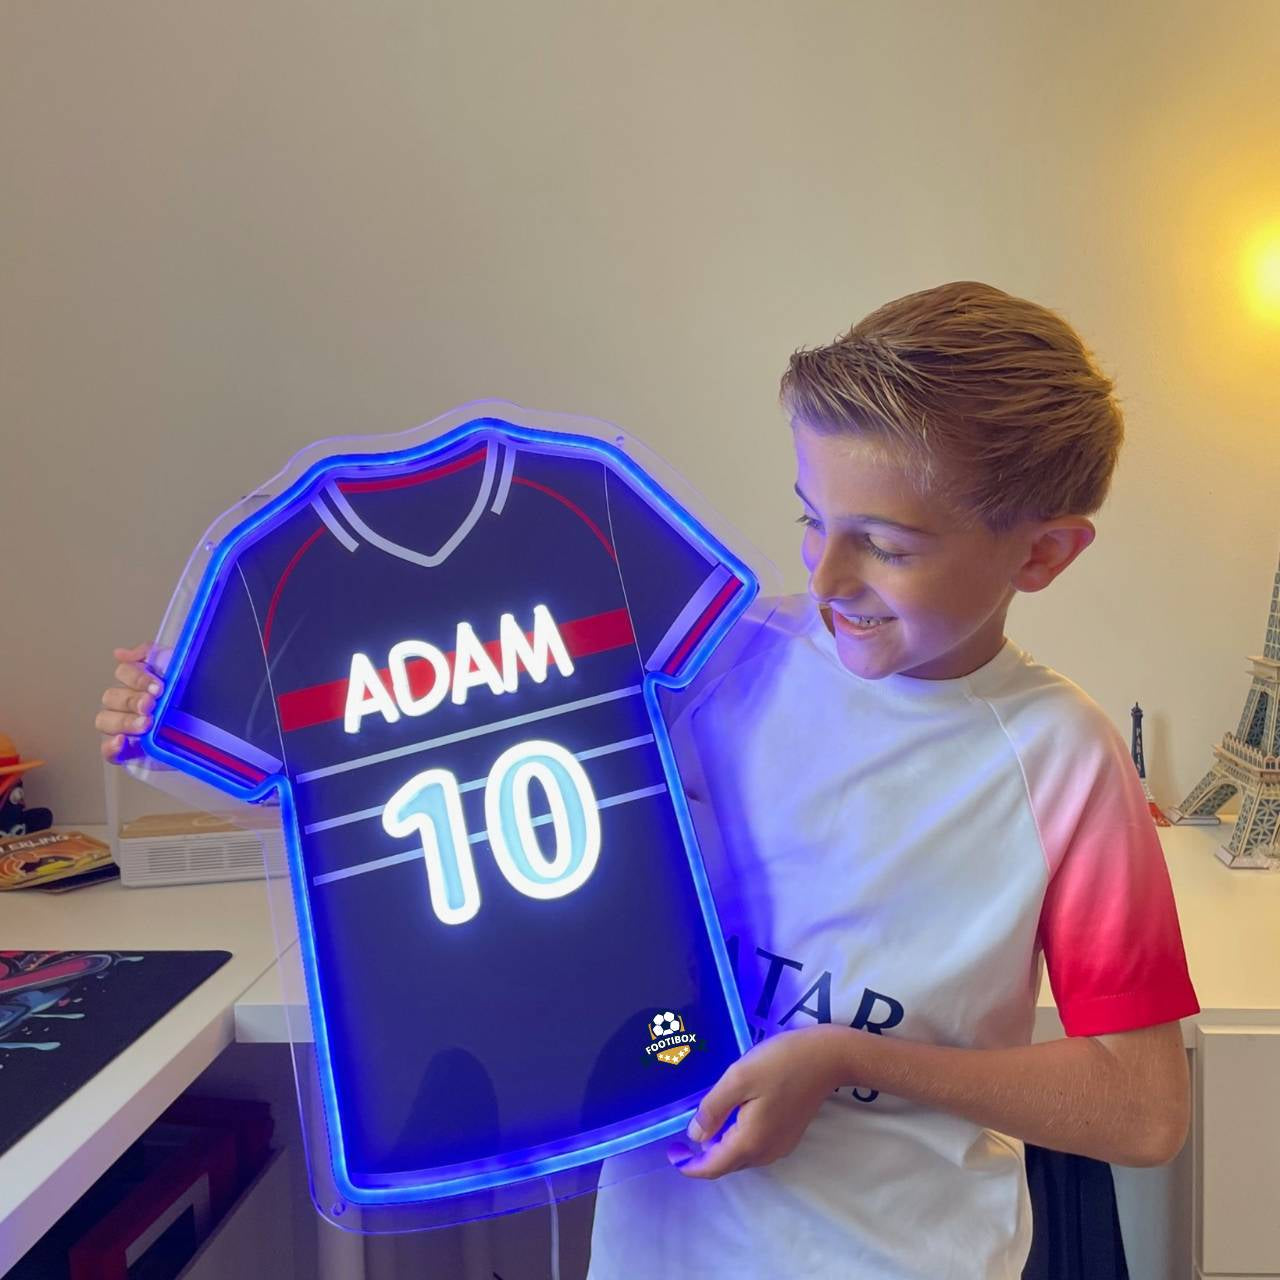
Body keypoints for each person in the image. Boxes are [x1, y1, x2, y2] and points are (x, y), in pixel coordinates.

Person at [95, 281, 1198, 1279]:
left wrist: (846, 1061)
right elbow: (438, 775)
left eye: (888, 545)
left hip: (903, 1256)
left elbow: (1142, 1111)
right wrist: (188, 714)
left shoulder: (1063, 760)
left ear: (1042, 555)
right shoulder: (721, 660)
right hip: (659, 1248)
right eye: (810, 519)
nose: (826, 576)